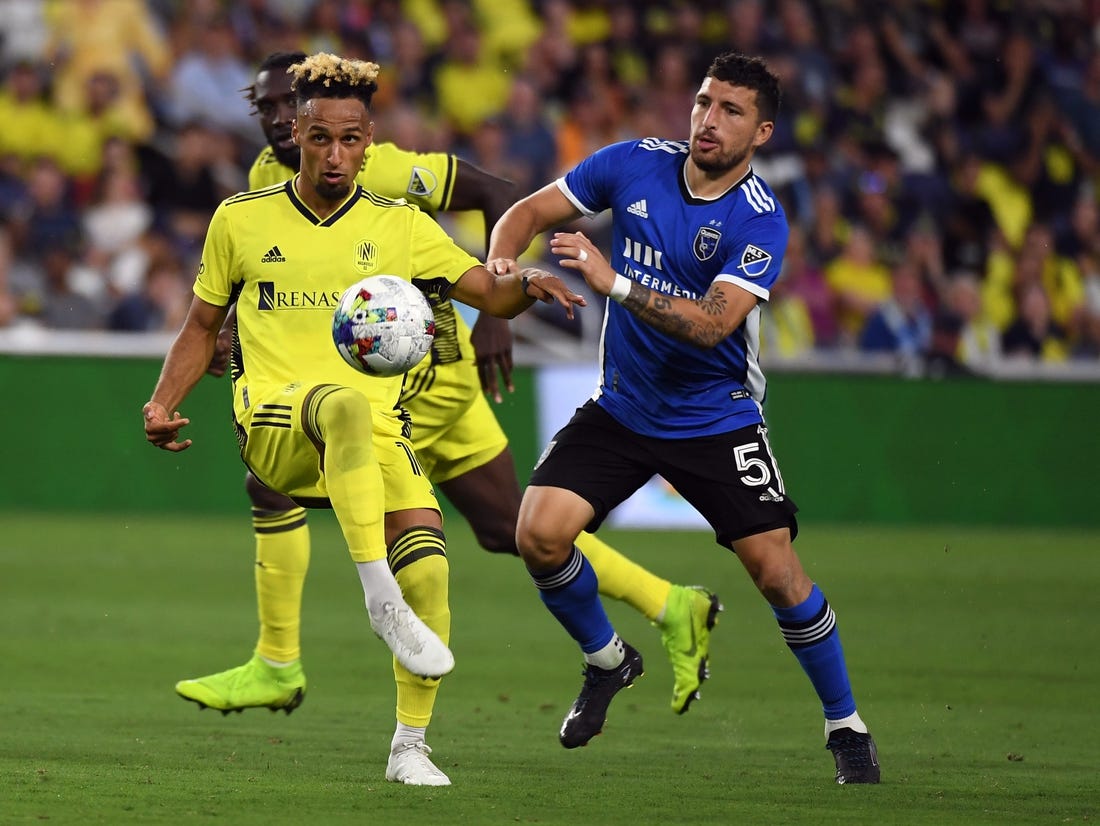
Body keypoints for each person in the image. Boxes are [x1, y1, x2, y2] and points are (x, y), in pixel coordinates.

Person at [173, 49, 724, 765]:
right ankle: (666, 605)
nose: (281, 118)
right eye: (270, 108)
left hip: (424, 377)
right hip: (364, 377)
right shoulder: (260, 187)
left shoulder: (382, 171)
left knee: (300, 479)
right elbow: (282, 291)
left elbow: (497, 190)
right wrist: (233, 344)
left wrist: (496, 310)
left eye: (290, 105)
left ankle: (283, 662)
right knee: (500, 527)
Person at [142, 52, 585, 786]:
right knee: (341, 403)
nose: (336, 154)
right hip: (276, 423)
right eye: (320, 138)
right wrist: (164, 401)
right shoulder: (241, 219)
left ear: (369, 142)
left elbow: (486, 291)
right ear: (298, 136)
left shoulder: (400, 227)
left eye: (351, 140)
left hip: (375, 432)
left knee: (434, 571)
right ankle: (378, 598)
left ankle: (410, 746)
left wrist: (525, 283)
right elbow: (199, 324)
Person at [487, 52, 880, 784]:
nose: (708, 120)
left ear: (761, 132)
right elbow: (527, 213)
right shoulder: (632, 162)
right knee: (537, 535)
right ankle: (608, 661)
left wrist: (615, 283)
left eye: (731, 111)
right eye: (704, 102)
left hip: (715, 416)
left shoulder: (759, 219)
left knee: (776, 572)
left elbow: (712, 325)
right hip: (625, 405)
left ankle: (845, 725)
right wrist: (503, 270)